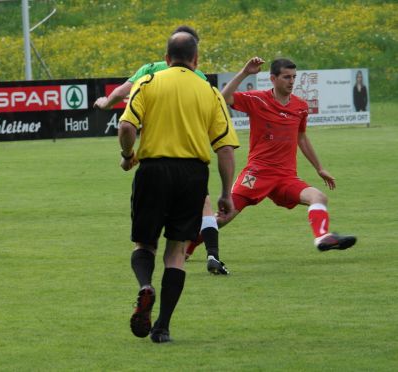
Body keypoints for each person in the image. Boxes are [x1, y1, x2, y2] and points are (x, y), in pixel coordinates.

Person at [119, 32, 238, 343]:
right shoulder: (210, 92)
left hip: (153, 170)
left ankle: (145, 285)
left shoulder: (148, 82)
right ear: (196, 60)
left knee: (144, 245)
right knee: (176, 251)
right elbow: (225, 149)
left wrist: (128, 154)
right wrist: (225, 193)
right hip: (193, 175)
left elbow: (126, 126)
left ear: (167, 57)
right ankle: (162, 327)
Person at [95, 25, 230, 275]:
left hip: (154, 156)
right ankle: (213, 254)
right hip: (190, 158)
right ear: (195, 53)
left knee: (146, 239)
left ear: (168, 53)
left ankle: (146, 281)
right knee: (204, 207)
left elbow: (123, 94)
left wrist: (105, 103)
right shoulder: (198, 77)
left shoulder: (149, 71)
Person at [194, 56, 356, 253]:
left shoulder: (300, 107)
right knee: (224, 216)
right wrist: (245, 72)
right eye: (286, 77)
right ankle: (187, 246)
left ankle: (322, 237)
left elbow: (302, 138)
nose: (291, 82)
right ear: (273, 79)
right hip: (257, 174)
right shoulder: (257, 99)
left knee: (318, 197)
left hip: (285, 177)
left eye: (293, 77)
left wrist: (319, 168)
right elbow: (223, 98)